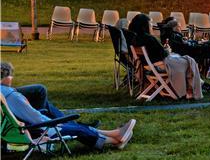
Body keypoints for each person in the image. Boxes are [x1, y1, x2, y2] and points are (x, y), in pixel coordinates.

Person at [1, 61, 136, 151]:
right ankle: (115, 139)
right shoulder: (12, 96)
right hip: (38, 130)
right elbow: (36, 118)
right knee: (76, 130)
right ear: (6, 77)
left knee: (72, 126)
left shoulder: (4, 94)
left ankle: (115, 135)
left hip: (17, 131)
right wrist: (54, 122)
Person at [126, 13, 205, 100]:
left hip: (149, 66)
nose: (151, 25)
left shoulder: (135, 38)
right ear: (144, 25)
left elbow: (156, 51)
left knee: (185, 59)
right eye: (150, 23)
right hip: (160, 65)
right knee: (189, 61)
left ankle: (192, 88)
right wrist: (167, 50)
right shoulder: (149, 38)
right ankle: (190, 90)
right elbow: (163, 54)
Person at [158, 16, 210, 80]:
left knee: (209, 44)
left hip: (186, 51)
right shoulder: (175, 36)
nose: (180, 27)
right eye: (179, 26)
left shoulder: (172, 35)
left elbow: (184, 44)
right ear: (175, 27)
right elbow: (185, 46)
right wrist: (197, 44)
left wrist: (194, 42)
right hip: (189, 53)